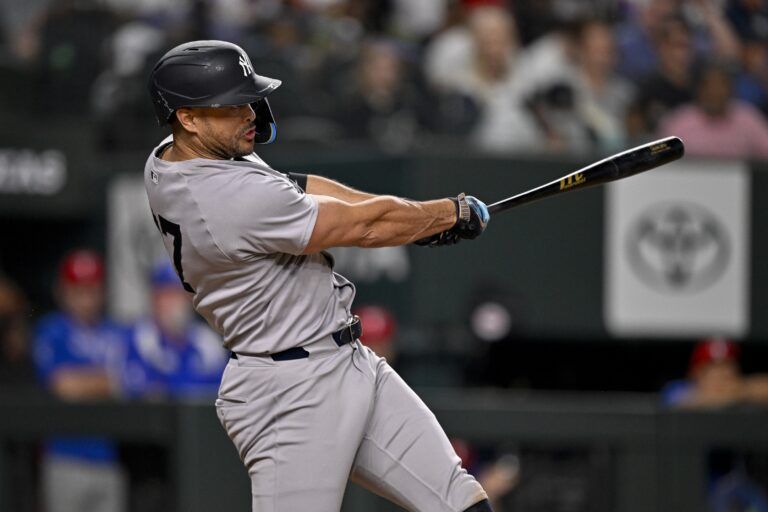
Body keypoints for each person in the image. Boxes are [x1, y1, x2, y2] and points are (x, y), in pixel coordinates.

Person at [145, 40, 492, 512]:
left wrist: (417, 220)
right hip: (290, 389)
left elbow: (299, 188)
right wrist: (444, 214)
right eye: (231, 105)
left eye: (248, 98)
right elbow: (361, 226)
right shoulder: (221, 196)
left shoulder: (177, 153)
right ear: (188, 117)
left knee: (462, 501)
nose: (249, 112)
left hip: (345, 359)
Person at [33, 249, 127, 512]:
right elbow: (62, 385)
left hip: (107, 457)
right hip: (64, 457)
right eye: (77, 290)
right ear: (62, 290)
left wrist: (88, 381)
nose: (85, 298)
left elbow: (131, 381)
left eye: (92, 289)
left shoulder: (113, 332)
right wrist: (106, 382)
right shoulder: (52, 329)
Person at [121, 261, 229, 399]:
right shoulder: (138, 339)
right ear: (154, 300)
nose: (176, 303)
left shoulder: (207, 342)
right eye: (168, 295)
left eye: (181, 294)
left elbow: (222, 394)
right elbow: (141, 393)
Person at [658, 62, 768, 158]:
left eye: (721, 86)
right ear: (699, 90)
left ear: (731, 90)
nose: (714, 92)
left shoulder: (747, 119)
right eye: (709, 86)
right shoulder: (679, 122)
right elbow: (659, 160)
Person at [661, 337, 768, 408]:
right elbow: (679, 401)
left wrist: (743, 389)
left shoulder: (740, 388)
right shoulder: (678, 389)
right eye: (714, 368)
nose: (723, 375)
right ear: (697, 373)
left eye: (727, 367)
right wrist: (734, 394)